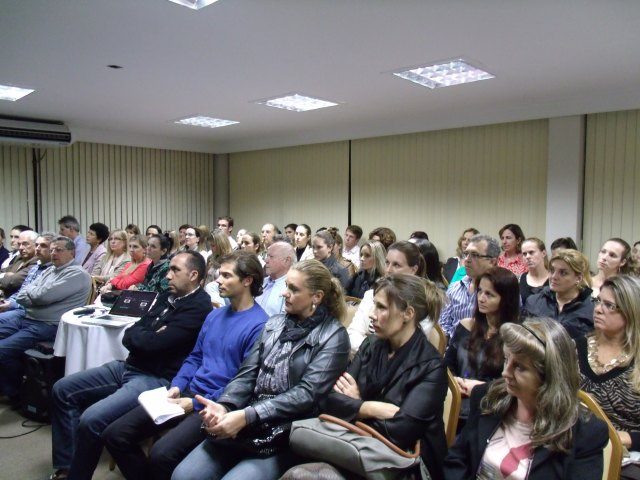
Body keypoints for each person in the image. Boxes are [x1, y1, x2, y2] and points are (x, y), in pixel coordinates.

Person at [171, 259, 350, 480]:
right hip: (248, 417)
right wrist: (225, 405)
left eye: (293, 289)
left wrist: (249, 415)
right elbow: (247, 374)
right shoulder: (275, 324)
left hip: (287, 430)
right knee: (184, 475)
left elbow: (307, 394)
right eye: (286, 286)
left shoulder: (334, 336)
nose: (284, 293)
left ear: (317, 297)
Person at [102, 251, 269, 480]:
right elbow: (195, 357)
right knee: (115, 434)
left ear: (247, 280)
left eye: (226, 276)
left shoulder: (260, 325)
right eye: (219, 274)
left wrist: (193, 404)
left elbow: (242, 382)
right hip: (187, 392)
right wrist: (178, 385)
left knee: (162, 454)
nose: (217, 280)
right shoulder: (215, 316)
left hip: (214, 403)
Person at [48, 251, 212, 480]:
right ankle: (66, 465)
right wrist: (146, 335)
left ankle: (76, 476)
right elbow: (131, 332)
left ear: (194, 275)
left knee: (91, 419)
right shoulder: (168, 296)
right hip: (128, 366)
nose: (168, 276)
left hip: (154, 377)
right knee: (62, 389)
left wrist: (145, 335)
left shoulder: (199, 307)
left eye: (175, 270)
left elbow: (156, 343)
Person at [289, 274, 448, 480]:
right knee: (298, 473)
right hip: (356, 448)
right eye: (374, 306)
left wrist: (354, 405)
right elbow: (328, 399)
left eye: (381, 308)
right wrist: (368, 407)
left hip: (405, 463)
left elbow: (402, 431)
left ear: (408, 313)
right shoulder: (371, 345)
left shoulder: (432, 366)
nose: (372, 315)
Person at [444, 318, 608, 479]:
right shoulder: (488, 397)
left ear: (549, 377)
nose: (505, 373)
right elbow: (457, 460)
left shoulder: (585, 433)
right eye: (507, 359)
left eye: (519, 367)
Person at [0, 236, 90, 401]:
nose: (54, 253)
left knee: (3, 350)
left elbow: (42, 297)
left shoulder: (77, 274)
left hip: (48, 325)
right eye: (53, 249)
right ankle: (12, 385)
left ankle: (15, 392)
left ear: (72, 252)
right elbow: (22, 294)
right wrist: (35, 295)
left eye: (59, 250)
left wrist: (34, 294)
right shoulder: (50, 269)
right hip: (28, 317)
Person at [577, 275, 640, 480]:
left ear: (630, 312)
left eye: (609, 305)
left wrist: (627, 438)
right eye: (598, 301)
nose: (597, 309)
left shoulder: (637, 361)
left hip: (626, 458)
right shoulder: (575, 347)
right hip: (574, 445)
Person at [445, 267, 520, 419]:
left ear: (506, 299)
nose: (481, 298)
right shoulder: (466, 325)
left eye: (489, 294)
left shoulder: (514, 336)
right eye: (480, 291)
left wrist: (479, 388)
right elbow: (447, 365)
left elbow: (511, 382)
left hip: (491, 407)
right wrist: (456, 382)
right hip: (456, 398)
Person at [347, 240, 432, 356]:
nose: (388, 270)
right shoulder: (372, 294)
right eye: (387, 263)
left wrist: (370, 346)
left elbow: (409, 350)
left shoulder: (422, 302)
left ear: (413, 269)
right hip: (365, 362)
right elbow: (353, 334)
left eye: (396, 265)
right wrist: (374, 354)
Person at [439, 234, 500, 338]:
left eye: (475, 255)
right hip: (455, 347)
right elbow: (444, 324)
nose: (467, 259)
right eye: (466, 254)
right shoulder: (455, 287)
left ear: (492, 261)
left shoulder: (504, 289)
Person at [524, 249, 594, 338]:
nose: (554, 277)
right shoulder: (534, 301)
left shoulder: (591, 309)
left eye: (563, 273)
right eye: (552, 270)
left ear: (578, 278)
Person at [256, 241, 295, 316]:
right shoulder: (261, 282)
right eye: (267, 256)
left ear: (287, 260)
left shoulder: (291, 289)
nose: (266, 260)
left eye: (271, 257)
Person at [0, 230, 39, 297]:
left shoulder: (36, 261)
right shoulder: (19, 258)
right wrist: (7, 274)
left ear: (36, 245)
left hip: (15, 301)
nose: (20, 248)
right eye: (19, 244)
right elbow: (3, 270)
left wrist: (9, 275)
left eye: (25, 244)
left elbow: (12, 282)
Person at [519, 237, 550, 303]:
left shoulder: (554, 278)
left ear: (543, 253)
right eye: (524, 254)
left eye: (531, 252)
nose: (527, 257)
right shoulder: (520, 279)